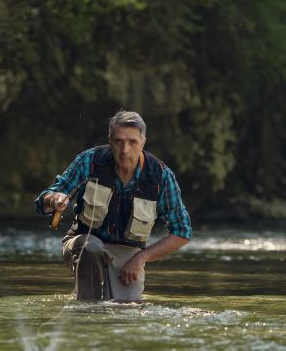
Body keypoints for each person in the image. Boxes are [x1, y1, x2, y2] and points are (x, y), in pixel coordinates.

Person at [34, 110, 192, 301]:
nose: (125, 150)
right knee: (91, 250)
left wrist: (141, 258)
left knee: (124, 309)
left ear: (143, 142)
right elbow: (43, 201)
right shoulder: (89, 161)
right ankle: (86, 311)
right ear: (110, 140)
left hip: (129, 254)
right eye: (119, 141)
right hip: (84, 242)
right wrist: (55, 200)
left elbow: (182, 232)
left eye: (132, 142)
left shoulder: (161, 176)